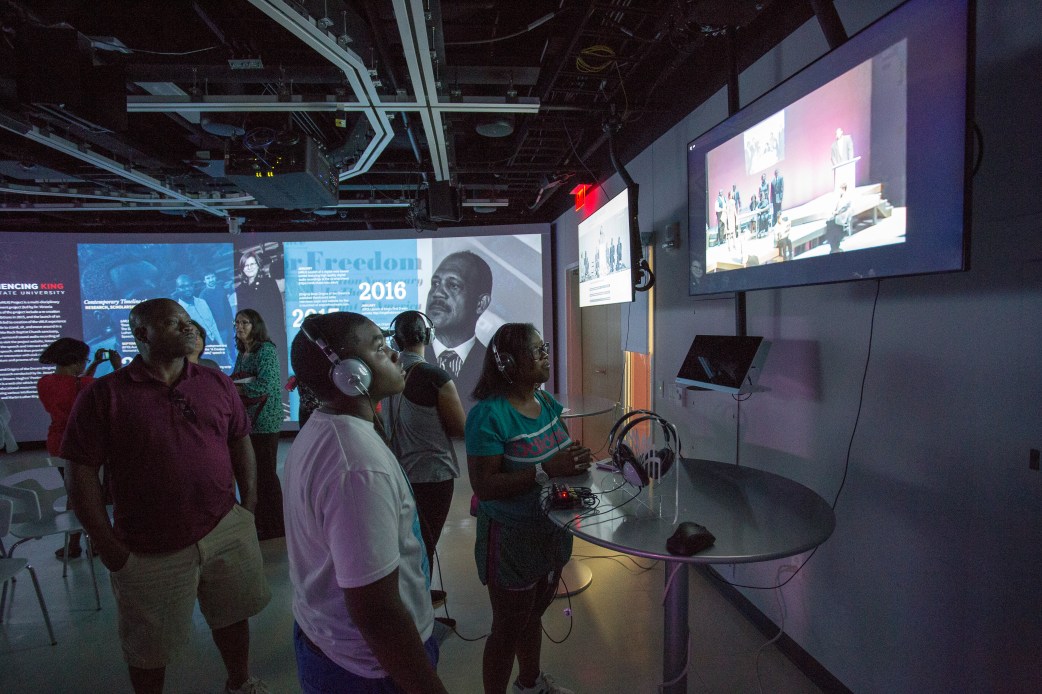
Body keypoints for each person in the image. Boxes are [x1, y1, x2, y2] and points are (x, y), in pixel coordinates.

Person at [61, 298, 270, 694]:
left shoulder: (214, 382)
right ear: (142, 334)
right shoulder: (105, 395)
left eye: (188, 321)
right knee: (148, 647)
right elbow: (81, 471)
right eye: (175, 324)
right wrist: (106, 543)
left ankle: (241, 682)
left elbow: (240, 440)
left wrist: (249, 507)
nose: (188, 329)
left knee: (232, 614)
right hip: (147, 546)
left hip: (225, 525)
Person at [285, 311, 448, 694]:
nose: (394, 354)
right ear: (350, 374)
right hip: (368, 669)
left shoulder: (325, 427)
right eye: (379, 348)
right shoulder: (356, 467)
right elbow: (377, 613)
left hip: (333, 644)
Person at [466, 323, 592, 694]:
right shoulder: (488, 416)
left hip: (550, 532)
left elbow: (559, 456)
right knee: (508, 627)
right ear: (506, 364)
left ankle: (530, 683)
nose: (546, 356)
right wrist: (545, 470)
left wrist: (574, 460)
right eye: (537, 351)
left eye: (545, 348)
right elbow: (484, 487)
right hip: (511, 540)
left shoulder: (547, 402)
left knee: (533, 614)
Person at [386, 310, 466, 611]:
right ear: (429, 336)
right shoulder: (435, 377)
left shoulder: (387, 373)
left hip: (398, 472)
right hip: (433, 475)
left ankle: (416, 594)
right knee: (425, 544)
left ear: (396, 339)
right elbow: (459, 428)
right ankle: (418, 611)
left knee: (408, 541)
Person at [37, 338, 121, 558]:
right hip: (87, 444)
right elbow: (113, 386)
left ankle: (73, 544)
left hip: (58, 443)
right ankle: (95, 543)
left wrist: (92, 366)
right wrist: (117, 366)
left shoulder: (45, 383)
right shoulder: (86, 385)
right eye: (83, 360)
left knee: (74, 493)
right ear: (75, 361)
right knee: (95, 495)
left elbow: (75, 384)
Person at [232, 309, 285, 541]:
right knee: (252, 473)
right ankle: (260, 522)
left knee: (265, 474)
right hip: (247, 420)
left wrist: (237, 388)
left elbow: (268, 384)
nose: (239, 327)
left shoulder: (266, 349)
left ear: (256, 325)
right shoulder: (243, 351)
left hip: (264, 420)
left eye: (245, 322)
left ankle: (275, 526)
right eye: (237, 323)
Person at [424, 250, 493, 413]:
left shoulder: (495, 367)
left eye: (453, 285)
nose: (437, 293)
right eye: (435, 283)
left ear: (481, 303)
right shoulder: (403, 363)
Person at [173, 274, 223, 350]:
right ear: (177, 289)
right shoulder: (176, 311)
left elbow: (213, 324)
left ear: (193, 286)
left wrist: (221, 344)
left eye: (189, 285)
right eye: (182, 287)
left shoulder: (202, 302)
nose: (187, 289)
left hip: (214, 344)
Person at [200, 271, 234, 347]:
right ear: (204, 281)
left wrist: (232, 322)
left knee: (233, 345)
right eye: (208, 278)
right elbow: (205, 316)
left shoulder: (221, 289)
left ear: (215, 277)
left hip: (229, 324)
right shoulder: (202, 296)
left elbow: (227, 308)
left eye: (212, 277)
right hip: (218, 329)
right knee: (224, 350)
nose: (211, 280)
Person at [826, 183, 852, 253]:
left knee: (836, 229)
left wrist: (837, 212)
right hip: (836, 217)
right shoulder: (838, 197)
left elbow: (844, 208)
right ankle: (833, 245)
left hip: (841, 217)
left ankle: (835, 246)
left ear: (843, 189)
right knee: (830, 224)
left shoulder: (847, 198)